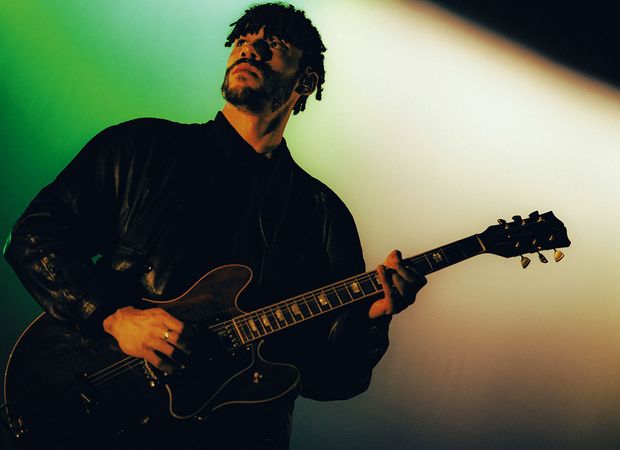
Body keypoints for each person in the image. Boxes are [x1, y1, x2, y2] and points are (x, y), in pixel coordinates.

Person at [3, 2, 426, 449]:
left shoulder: (323, 215)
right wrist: (114, 317)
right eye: (242, 40)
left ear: (306, 81)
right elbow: (33, 235)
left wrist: (374, 320)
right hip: (106, 408)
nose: (250, 49)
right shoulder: (143, 148)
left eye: (273, 44)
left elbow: (330, 380)